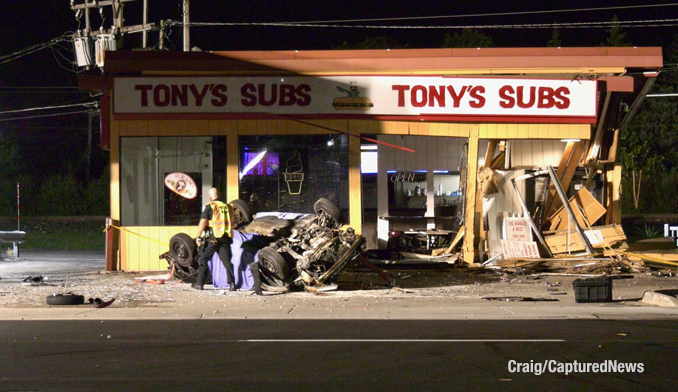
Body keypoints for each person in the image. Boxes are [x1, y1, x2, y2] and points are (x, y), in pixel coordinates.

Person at [193, 188, 236, 291]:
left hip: (213, 237)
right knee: (226, 261)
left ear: (210, 196)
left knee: (203, 258)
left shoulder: (210, 206)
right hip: (225, 237)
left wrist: (198, 236)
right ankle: (232, 284)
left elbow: (203, 222)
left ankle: (199, 284)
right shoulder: (228, 207)